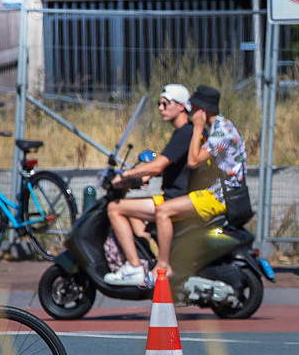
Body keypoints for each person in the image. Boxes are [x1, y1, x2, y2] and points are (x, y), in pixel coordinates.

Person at [104, 84, 194, 286]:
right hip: (176, 197)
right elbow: (168, 165)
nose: (161, 108)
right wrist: (140, 178)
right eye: (159, 104)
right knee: (133, 214)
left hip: (175, 200)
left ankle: (134, 267)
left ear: (181, 107)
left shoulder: (185, 132)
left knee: (114, 209)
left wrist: (124, 174)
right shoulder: (184, 132)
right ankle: (147, 256)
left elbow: (158, 165)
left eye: (165, 103)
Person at [153, 85, 246, 276]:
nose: (190, 112)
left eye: (193, 108)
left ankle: (162, 266)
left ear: (202, 110)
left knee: (163, 210)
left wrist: (196, 128)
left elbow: (193, 161)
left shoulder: (221, 132)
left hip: (219, 197)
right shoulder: (222, 126)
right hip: (216, 192)